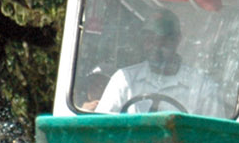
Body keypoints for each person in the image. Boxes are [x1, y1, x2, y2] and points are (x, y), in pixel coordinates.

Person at [94, 9, 225, 116]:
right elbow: (102, 128)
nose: (156, 46)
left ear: (177, 40)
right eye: (150, 39)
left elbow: (215, 136)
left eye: (164, 39)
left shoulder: (202, 87)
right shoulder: (124, 80)